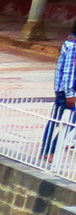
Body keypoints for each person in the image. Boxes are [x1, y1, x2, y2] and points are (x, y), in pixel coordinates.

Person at [39, 21, 76, 161]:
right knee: (59, 122)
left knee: (60, 121)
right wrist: (70, 95)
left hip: (66, 90)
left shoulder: (70, 42)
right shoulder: (73, 46)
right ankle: (49, 150)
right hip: (67, 92)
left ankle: (51, 149)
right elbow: (68, 73)